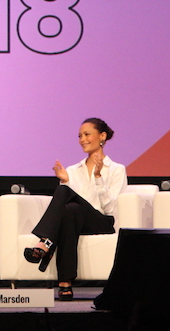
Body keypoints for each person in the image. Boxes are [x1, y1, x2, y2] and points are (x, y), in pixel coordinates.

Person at [23, 117, 125, 300]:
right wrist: (67, 180)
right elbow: (75, 203)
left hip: (102, 221)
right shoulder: (72, 170)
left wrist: (99, 177)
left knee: (65, 194)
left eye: (87, 134)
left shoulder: (117, 169)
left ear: (102, 136)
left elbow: (110, 207)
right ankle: (65, 283)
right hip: (78, 219)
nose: (82, 140)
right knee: (70, 211)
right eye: (79, 136)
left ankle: (45, 242)